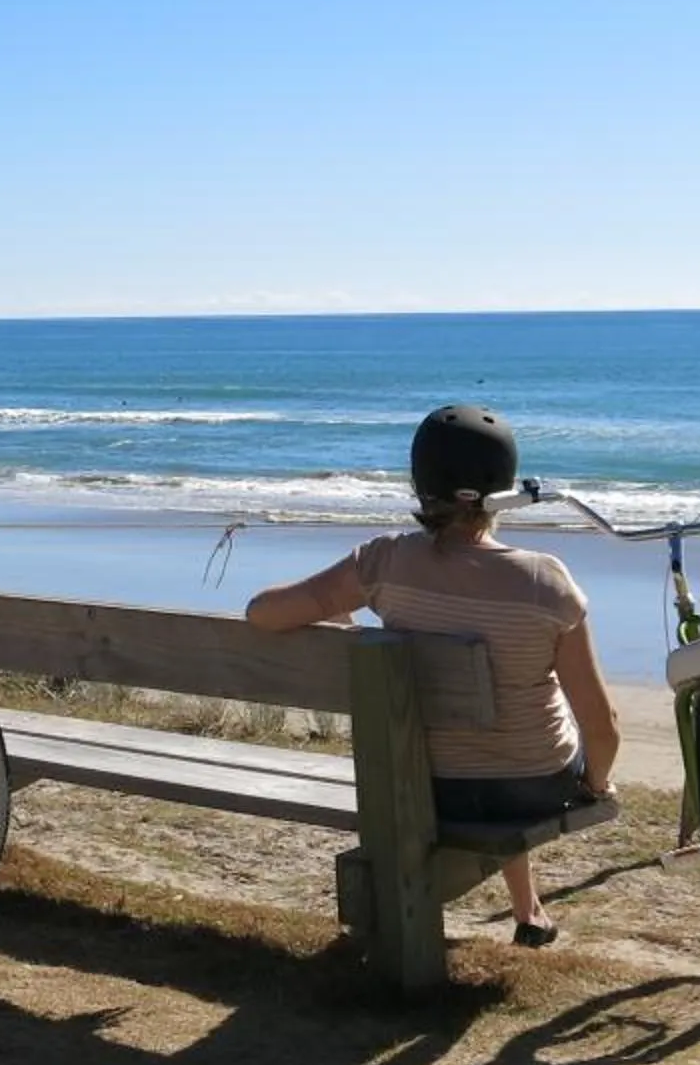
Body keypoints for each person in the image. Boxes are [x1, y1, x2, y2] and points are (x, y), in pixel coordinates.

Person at [245, 404, 618, 948]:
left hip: (423, 785)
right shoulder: (546, 581)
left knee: (469, 728)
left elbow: (262, 613)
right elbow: (601, 723)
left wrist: (344, 615)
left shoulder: (383, 564)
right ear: (506, 486)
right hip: (534, 785)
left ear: (421, 484)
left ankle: (528, 908)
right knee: (514, 717)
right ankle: (528, 914)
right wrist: (597, 784)